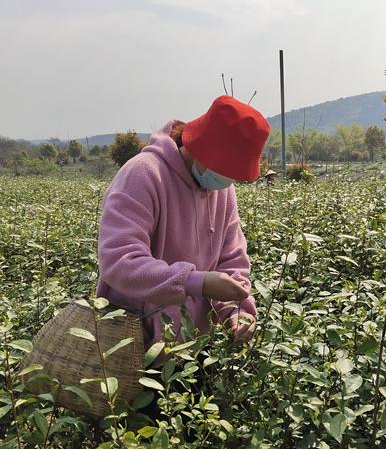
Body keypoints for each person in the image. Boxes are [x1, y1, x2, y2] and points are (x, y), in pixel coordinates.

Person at [95, 95, 270, 350]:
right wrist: (196, 282)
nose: (229, 181)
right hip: (134, 344)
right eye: (226, 169)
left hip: (194, 347)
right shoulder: (142, 175)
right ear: (201, 148)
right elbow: (119, 262)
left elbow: (232, 259)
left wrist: (237, 311)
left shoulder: (222, 190)